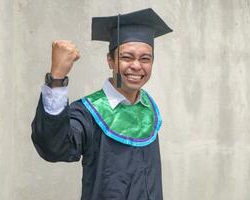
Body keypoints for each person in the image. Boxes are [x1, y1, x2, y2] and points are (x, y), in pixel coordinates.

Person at [31, 8, 172, 200]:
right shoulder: (88, 112)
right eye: (127, 57)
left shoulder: (148, 107)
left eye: (145, 59)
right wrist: (57, 79)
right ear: (110, 61)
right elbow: (54, 147)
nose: (137, 66)